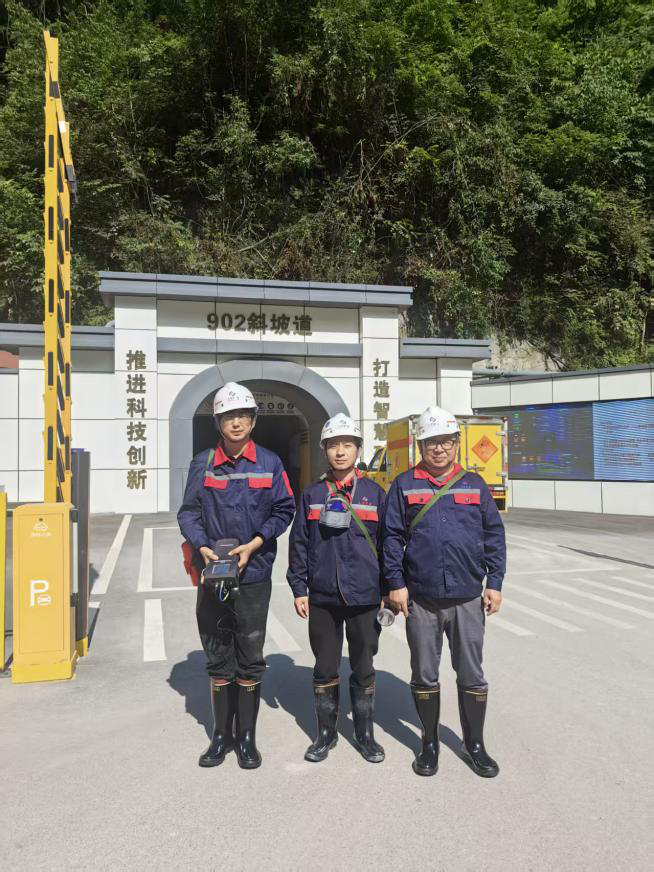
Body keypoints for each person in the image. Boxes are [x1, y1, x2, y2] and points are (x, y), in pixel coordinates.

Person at [382, 406, 506, 778]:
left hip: (467, 597)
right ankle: (430, 743)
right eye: (431, 442)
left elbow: (493, 535)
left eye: (445, 442)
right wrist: (395, 584)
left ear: (456, 444)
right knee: (424, 674)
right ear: (420, 445)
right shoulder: (404, 485)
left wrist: (495, 583)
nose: (439, 448)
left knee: (472, 674)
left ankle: (474, 745)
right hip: (421, 599)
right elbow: (391, 538)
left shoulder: (474, 485)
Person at [178, 382, 295, 770]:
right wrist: (202, 546)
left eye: (243, 415)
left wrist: (256, 542)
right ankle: (220, 735)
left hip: (254, 573)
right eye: (229, 416)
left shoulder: (270, 463)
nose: (237, 422)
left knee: (250, 655)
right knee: (217, 654)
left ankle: (246, 737)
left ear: (253, 420)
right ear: (218, 422)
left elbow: (284, 510)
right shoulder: (203, 463)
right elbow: (188, 513)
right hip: (214, 574)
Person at [287, 414, 387, 763]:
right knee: (325, 666)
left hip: (365, 596)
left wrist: (389, 590)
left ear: (358, 449)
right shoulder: (312, 494)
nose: (340, 451)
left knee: (363, 665)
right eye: (333, 445)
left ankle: (365, 734)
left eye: (347, 444)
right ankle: (325, 734)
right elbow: (299, 543)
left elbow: (389, 546)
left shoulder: (375, 494)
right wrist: (299, 587)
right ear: (325, 450)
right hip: (323, 596)